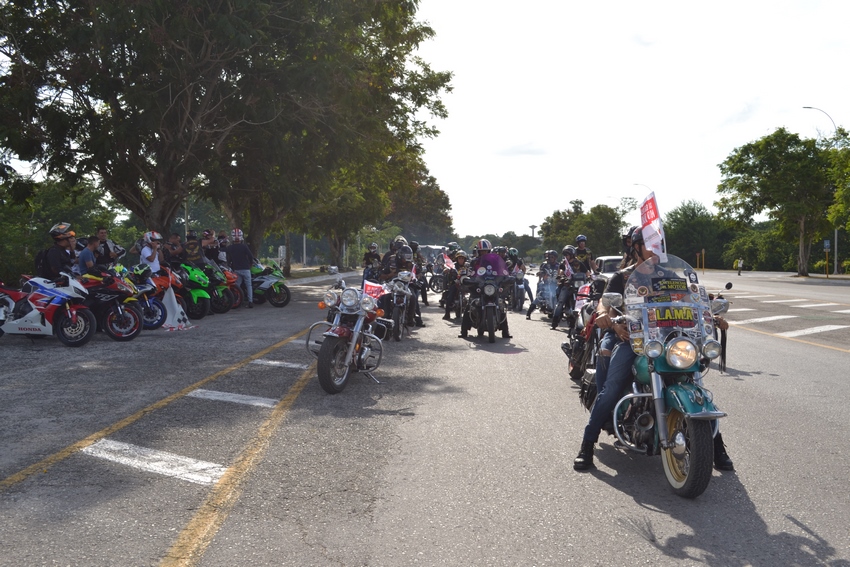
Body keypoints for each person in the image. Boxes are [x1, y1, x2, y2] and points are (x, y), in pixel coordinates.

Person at [574, 226, 734, 472]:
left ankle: (716, 447)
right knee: (613, 385)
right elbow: (605, 304)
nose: (656, 249)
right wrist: (607, 317)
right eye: (650, 244)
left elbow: (692, 299)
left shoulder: (670, 275)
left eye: (659, 244)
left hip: (667, 339)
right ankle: (587, 444)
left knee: (696, 382)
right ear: (637, 247)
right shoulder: (624, 276)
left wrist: (711, 314)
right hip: (633, 340)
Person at [526, 250, 559, 319]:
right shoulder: (545, 265)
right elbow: (541, 273)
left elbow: (563, 272)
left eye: (552, 257)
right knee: (539, 297)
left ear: (555, 258)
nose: (550, 258)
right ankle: (528, 313)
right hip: (546, 284)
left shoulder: (558, 265)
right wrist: (541, 275)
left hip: (556, 284)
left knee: (561, 297)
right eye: (549, 257)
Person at [227, 229, 254, 308]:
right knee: (249, 285)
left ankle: (236, 300)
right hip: (246, 268)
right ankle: (250, 301)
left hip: (236, 269)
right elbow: (250, 256)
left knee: (237, 286)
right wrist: (250, 264)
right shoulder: (244, 247)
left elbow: (228, 258)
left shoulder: (230, 248)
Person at [442, 250, 470, 320]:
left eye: (462, 258)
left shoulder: (467, 265)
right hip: (455, 283)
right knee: (450, 295)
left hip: (465, 284)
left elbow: (472, 271)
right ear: (457, 259)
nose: (461, 260)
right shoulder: (453, 265)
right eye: (459, 258)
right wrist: (446, 270)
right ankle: (447, 313)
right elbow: (447, 268)